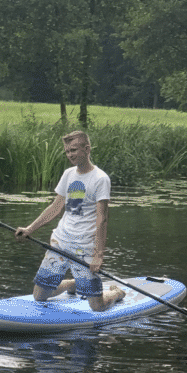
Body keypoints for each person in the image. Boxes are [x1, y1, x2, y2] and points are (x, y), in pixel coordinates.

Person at [15, 131, 125, 311]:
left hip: (85, 246)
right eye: (67, 151)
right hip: (61, 241)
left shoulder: (100, 179)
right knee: (39, 296)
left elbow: (102, 219)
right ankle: (74, 283)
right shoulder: (68, 174)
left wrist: (98, 255)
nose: (70, 155)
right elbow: (56, 207)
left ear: (87, 149)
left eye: (74, 150)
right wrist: (30, 229)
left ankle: (117, 292)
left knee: (97, 307)